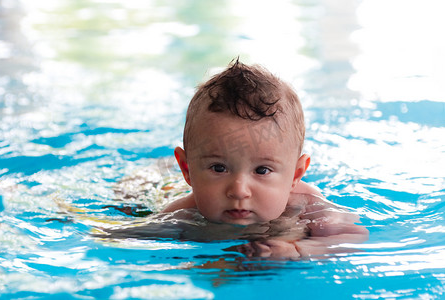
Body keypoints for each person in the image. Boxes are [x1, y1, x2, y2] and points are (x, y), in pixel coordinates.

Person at [158, 59, 368, 258]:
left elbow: (352, 237)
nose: (239, 190)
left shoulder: (307, 205)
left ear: (296, 174)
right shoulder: (181, 214)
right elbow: (129, 238)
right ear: (187, 169)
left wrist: (298, 250)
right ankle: (155, 173)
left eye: (262, 170)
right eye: (219, 168)